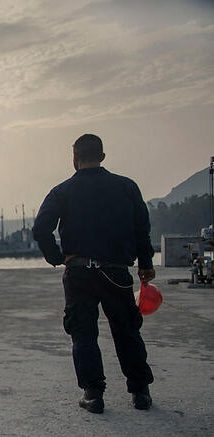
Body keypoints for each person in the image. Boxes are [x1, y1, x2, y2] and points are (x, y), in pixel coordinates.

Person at [32, 134, 155, 414]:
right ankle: (140, 392)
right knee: (127, 331)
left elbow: (41, 228)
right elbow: (141, 230)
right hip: (117, 272)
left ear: (74, 158)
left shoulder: (62, 191)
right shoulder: (127, 187)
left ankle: (93, 394)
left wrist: (57, 257)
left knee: (83, 333)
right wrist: (145, 265)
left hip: (79, 274)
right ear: (102, 156)